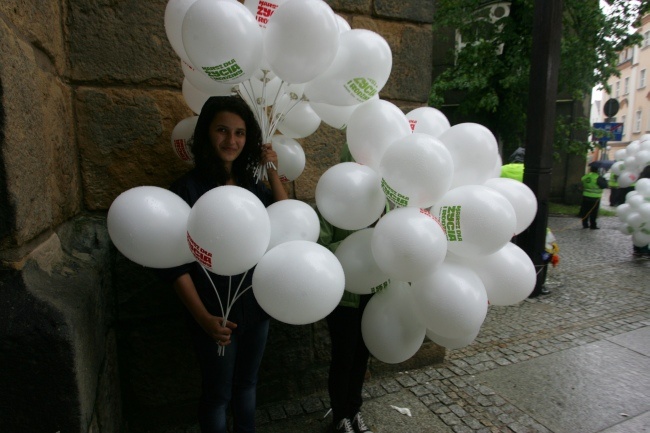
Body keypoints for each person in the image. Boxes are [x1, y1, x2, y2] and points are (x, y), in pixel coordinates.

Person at [159, 96, 288, 433]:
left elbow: (287, 220)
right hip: (213, 313)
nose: (231, 141)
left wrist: (272, 169)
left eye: (240, 133)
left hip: (256, 308)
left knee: (247, 386)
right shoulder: (186, 189)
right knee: (217, 394)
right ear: (206, 134)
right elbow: (175, 265)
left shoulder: (252, 186)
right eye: (222, 130)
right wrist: (204, 319)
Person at [317, 144, 378, 433]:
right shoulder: (333, 196)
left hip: (375, 294)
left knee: (361, 356)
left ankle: (353, 412)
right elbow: (320, 245)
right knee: (344, 355)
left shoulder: (384, 197)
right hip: (344, 296)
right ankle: (340, 416)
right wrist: (356, 251)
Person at [579, 164, 608, 230]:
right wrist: (604, 180)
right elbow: (604, 186)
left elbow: (582, 182)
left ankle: (585, 224)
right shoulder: (598, 177)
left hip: (585, 196)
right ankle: (593, 225)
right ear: (597, 170)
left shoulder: (586, 176)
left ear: (590, 169)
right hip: (595, 198)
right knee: (593, 212)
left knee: (585, 211)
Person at [633, 165, 650, 257]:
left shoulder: (640, 180)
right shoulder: (648, 183)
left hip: (638, 208)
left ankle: (637, 248)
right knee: (647, 229)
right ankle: (644, 249)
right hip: (647, 208)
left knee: (638, 227)